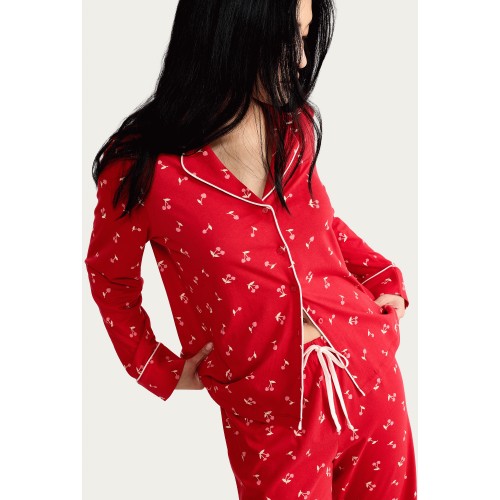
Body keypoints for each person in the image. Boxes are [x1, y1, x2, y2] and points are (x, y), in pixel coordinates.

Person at [84, 0, 417, 497]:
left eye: (305, 36)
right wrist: (154, 366)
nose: (301, 60)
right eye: (290, 38)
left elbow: (319, 225)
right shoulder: (144, 168)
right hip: (272, 416)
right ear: (233, 30)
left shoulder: (294, 126)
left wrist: (381, 276)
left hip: (367, 375)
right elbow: (110, 276)